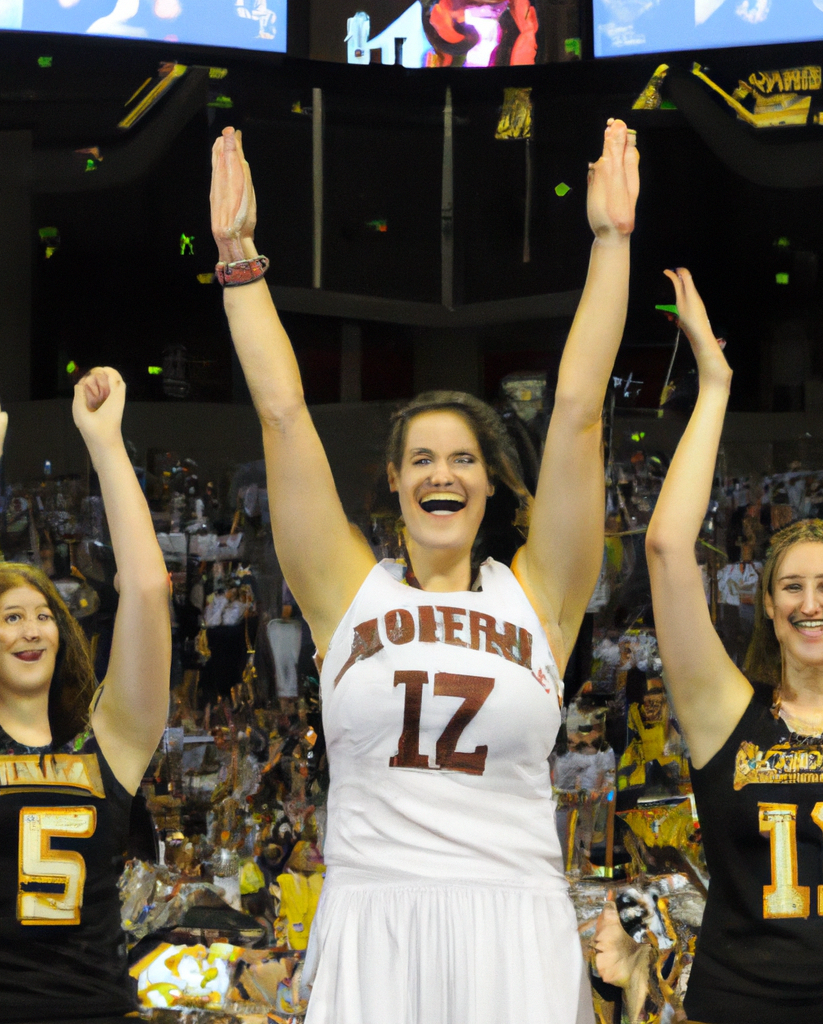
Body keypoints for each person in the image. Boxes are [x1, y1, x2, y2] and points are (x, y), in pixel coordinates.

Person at [209, 118, 640, 1024]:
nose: (442, 473)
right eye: (421, 460)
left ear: (491, 484)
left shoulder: (540, 594)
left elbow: (578, 414)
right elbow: (284, 416)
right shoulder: (344, 589)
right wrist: (240, 260)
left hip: (516, 917)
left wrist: (611, 245)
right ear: (397, 484)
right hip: (374, 913)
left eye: (462, 459)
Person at [627, 266, 823, 1023]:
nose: (812, 604)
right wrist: (712, 387)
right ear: (768, 609)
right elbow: (670, 548)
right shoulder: (723, 717)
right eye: (793, 589)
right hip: (741, 1003)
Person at [0, 369, 172, 1023]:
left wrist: (106, 443)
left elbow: (147, 591)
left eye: (42, 615)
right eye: (11, 617)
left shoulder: (112, 742)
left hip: (93, 1011)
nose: (30, 629)